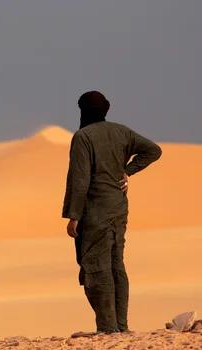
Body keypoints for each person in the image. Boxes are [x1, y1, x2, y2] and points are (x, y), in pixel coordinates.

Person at [62, 90, 162, 334]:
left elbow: (81, 178)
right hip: (118, 208)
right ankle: (121, 327)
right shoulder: (122, 131)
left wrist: (74, 216)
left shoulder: (83, 137)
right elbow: (153, 150)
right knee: (116, 263)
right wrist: (127, 171)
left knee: (97, 266)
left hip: (95, 211)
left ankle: (108, 328)